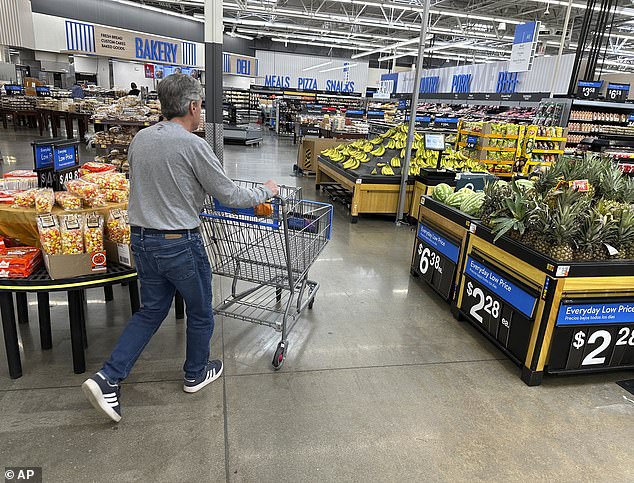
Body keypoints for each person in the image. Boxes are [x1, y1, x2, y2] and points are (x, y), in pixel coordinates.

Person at [82, 73, 279, 423]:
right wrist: (267, 191)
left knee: (151, 310)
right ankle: (195, 373)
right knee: (201, 311)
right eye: (200, 104)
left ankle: (108, 378)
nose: (201, 110)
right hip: (178, 243)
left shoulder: (141, 140)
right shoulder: (193, 145)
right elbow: (230, 195)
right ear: (192, 106)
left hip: (141, 240)